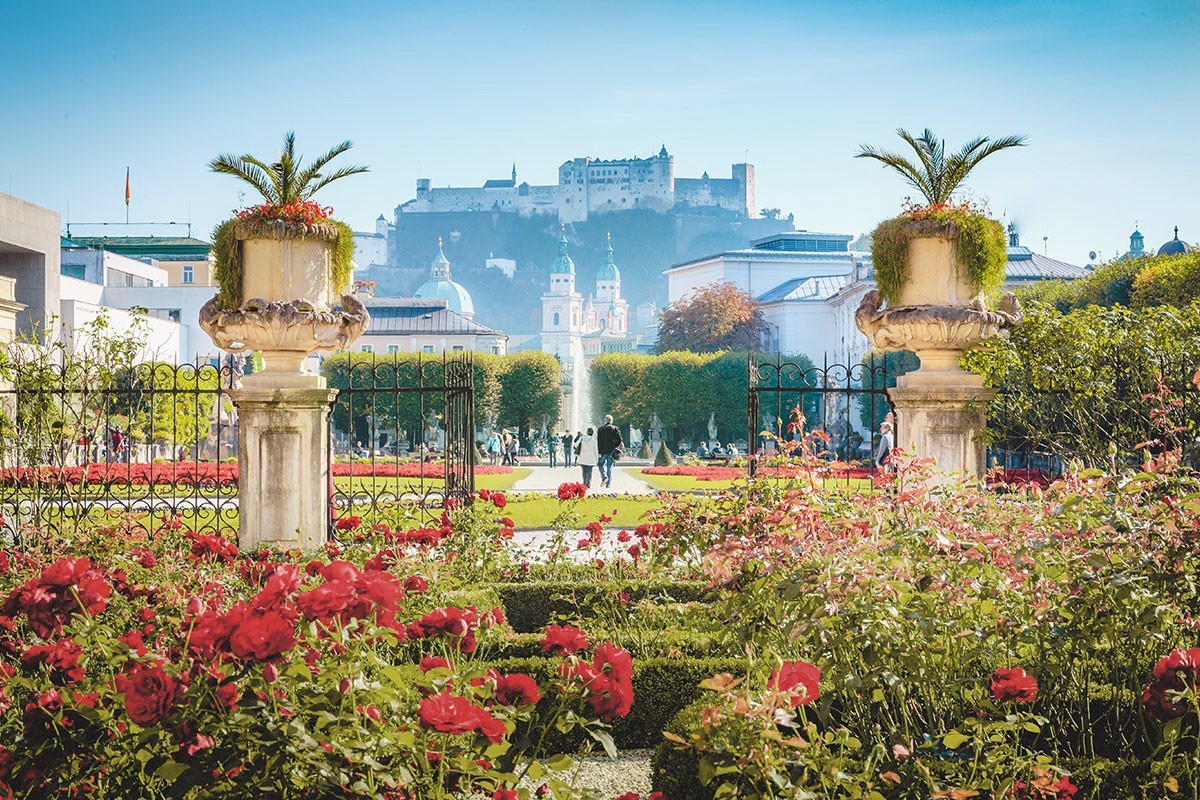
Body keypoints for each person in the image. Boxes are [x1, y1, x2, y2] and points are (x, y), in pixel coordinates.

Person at [596, 414, 623, 488]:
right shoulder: (615, 429)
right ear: (611, 421)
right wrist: (615, 445)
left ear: (605, 420)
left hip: (603, 450)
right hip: (612, 451)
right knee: (609, 466)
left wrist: (599, 452)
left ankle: (604, 476)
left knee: (600, 464)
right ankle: (608, 484)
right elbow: (620, 440)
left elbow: (599, 442)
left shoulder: (600, 429)